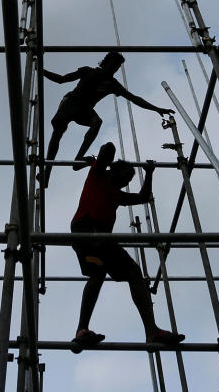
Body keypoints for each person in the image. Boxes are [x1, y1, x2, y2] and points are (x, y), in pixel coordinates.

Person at [69, 141, 184, 352]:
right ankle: (82, 329)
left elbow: (143, 197)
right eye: (125, 176)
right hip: (86, 227)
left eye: (130, 179)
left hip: (102, 236)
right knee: (98, 272)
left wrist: (148, 173)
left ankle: (151, 331)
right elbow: (108, 147)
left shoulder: (117, 194)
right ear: (114, 170)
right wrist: (102, 162)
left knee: (131, 272)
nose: (126, 181)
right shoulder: (98, 175)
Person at [41, 51, 173, 186]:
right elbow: (61, 79)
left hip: (85, 110)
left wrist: (157, 109)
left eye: (117, 67)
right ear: (105, 62)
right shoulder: (87, 71)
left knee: (97, 122)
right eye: (113, 65)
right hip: (71, 103)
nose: (114, 69)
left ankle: (78, 158)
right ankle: (47, 172)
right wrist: (40, 69)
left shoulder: (112, 84)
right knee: (57, 134)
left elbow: (134, 98)